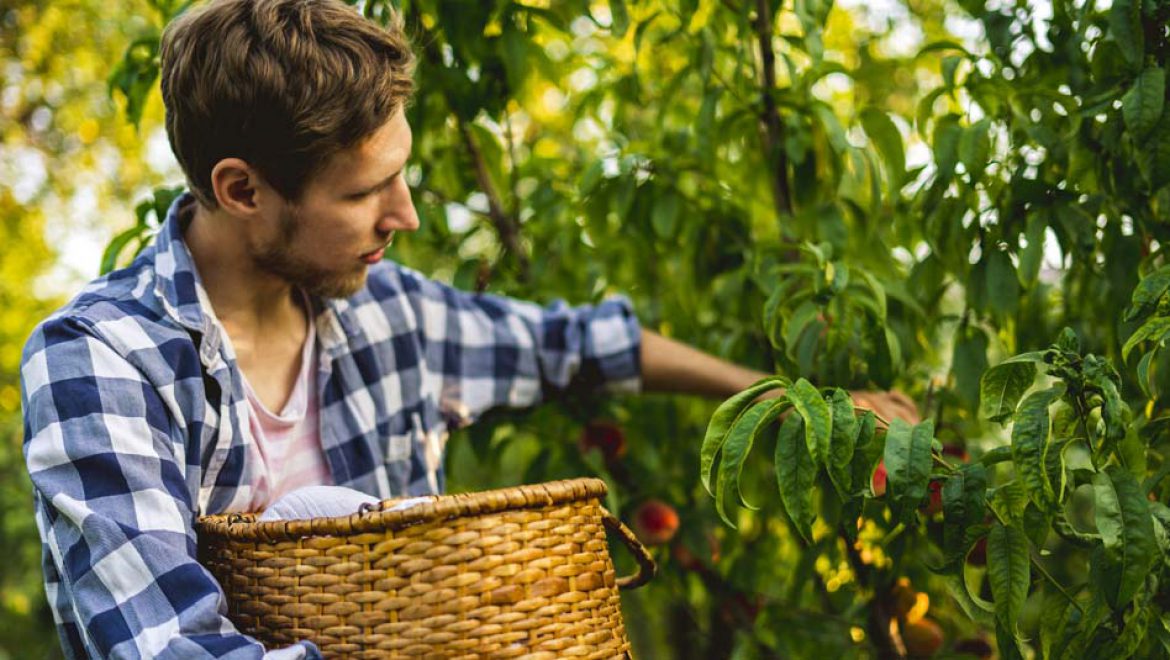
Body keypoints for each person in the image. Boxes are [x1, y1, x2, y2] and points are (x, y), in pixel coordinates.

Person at [19, 1, 919, 658]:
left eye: (401, 174)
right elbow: (167, 648)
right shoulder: (104, 362)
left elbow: (583, 346)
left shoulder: (391, 312)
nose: (405, 215)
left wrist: (798, 399)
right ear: (242, 189)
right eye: (365, 192)